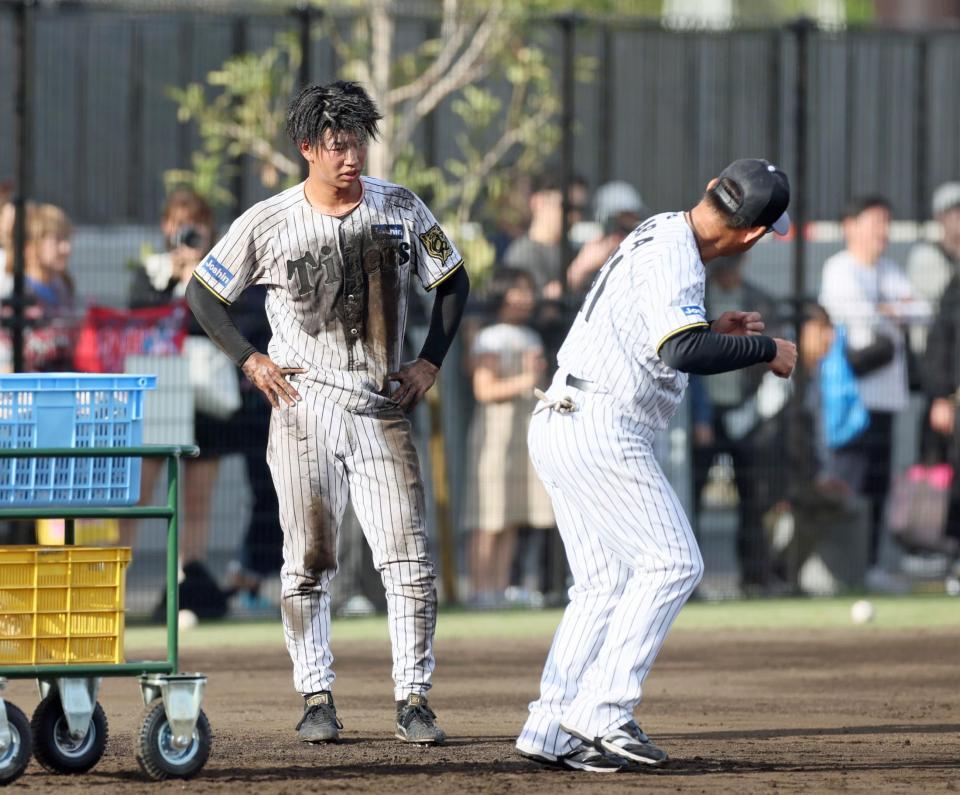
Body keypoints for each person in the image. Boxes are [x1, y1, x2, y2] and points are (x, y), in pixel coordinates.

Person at [185, 81, 470, 746]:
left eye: (358, 142)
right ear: (307, 147)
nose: (351, 156)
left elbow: (452, 281)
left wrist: (429, 360)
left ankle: (414, 697)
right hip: (302, 403)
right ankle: (316, 694)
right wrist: (250, 359)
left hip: (379, 400)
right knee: (309, 556)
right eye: (337, 145)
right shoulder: (272, 219)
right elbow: (205, 294)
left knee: (407, 556)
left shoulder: (399, 207)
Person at [515, 158, 796, 772]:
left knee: (602, 585)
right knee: (674, 561)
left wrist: (715, 329)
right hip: (603, 424)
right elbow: (682, 349)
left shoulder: (664, 228)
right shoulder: (678, 252)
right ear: (751, 235)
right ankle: (603, 713)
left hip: (566, 414)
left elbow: (672, 334)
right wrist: (765, 349)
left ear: (709, 192)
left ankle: (551, 726)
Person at [818, 196, 930, 582]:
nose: (882, 231)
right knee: (849, 482)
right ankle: (842, 568)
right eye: (875, 221)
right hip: (850, 400)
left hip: (887, 396)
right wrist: (889, 311)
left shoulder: (890, 270)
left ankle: (870, 565)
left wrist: (885, 310)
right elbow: (855, 315)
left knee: (880, 484)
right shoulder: (840, 269)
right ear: (851, 225)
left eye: (887, 222)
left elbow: (921, 311)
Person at [691, 254, 782, 591]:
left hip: (748, 411)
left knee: (754, 497)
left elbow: (775, 358)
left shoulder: (760, 303)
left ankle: (755, 576)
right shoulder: (698, 300)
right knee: (691, 494)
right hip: (705, 415)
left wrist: (756, 411)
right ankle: (691, 579)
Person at [463, 268, 553, 606]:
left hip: (523, 428)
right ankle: (481, 589)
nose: (527, 298)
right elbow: (484, 390)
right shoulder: (490, 337)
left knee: (513, 514)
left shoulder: (530, 335)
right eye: (519, 290)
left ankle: (499, 590)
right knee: (488, 514)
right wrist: (528, 380)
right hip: (496, 432)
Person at [0, 202, 77, 373]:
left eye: (67, 239)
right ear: (30, 245)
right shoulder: (13, 292)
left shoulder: (63, 288)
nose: (67, 248)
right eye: (57, 240)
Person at [566, 180, 647, 294]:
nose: (622, 237)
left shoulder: (641, 256)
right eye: (620, 227)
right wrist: (582, 267)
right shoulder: (578, 250)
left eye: (630, 228)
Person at [503, 173, 566, 300]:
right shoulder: (522, 253)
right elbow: (538, 304)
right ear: (538, 202)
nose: (572, 216)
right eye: (563, 207)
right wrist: (580, 270)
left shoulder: (567, 249)